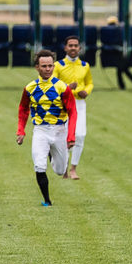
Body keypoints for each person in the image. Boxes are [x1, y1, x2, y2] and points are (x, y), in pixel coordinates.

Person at [16, 49, 78, 207]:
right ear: (37, 67)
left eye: (50, 66)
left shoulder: (62, 87)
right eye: (44, 66)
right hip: (40, 131)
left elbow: (73, 111)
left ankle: (52, 153)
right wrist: (20, 131)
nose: (48, 69)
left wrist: (71, 136)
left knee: (59, 170)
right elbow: (23, 109)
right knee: (39, 165)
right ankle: (47, 201)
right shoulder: (30, 88)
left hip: (59, 131)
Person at [53, 35, 93, 180]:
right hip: (63, 105)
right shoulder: (58, 65)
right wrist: (68, 88)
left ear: (79, 48)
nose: (73, 48)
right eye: (70, 45)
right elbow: (54, 85)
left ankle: (73, 168)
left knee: (80, 135)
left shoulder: (85, 65)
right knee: (64, 136)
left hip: (80, 104)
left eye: (76, 45)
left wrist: (86, 92)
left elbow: (89, 83)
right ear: (65, 48)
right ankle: (63, 167)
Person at [106, 15, 132, 91]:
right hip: (121, 53)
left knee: (123, 70)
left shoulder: (116, 31)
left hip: (119, 53)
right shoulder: (120, 30)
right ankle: (126, 85)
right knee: (122, 70)